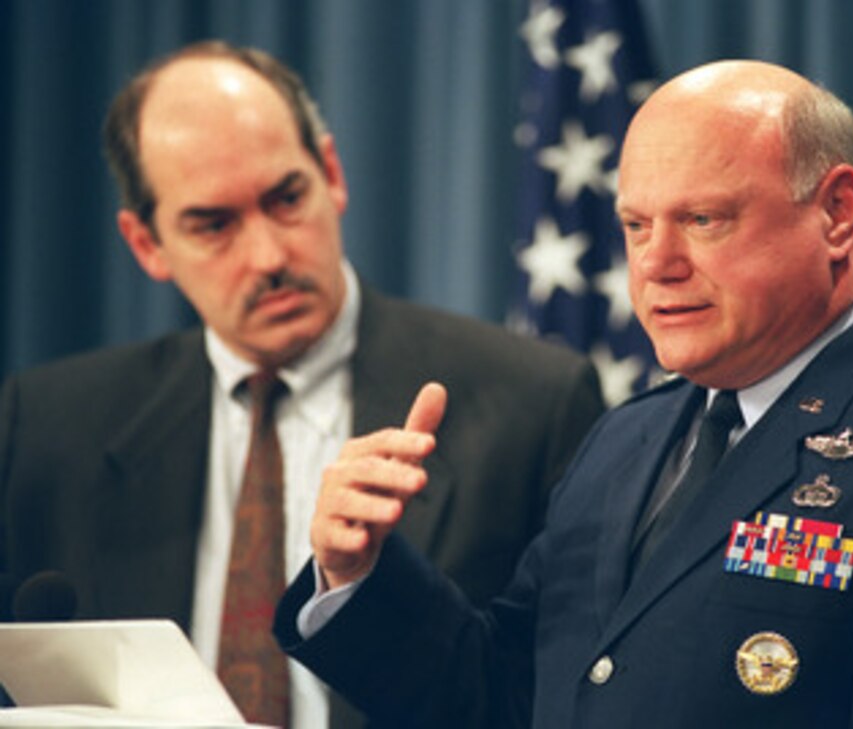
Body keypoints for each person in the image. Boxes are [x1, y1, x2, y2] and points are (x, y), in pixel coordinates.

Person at [274, 60, 853, 727]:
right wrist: (357, 574)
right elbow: (507, 698)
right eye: (636, 225)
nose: (656, 264)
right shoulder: (629, 436)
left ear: (837, 213)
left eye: (703, 219)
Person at [0, 41, 604, 728]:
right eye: (213, 224)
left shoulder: (533, 401)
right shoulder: (46, 427)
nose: (269, 255)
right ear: (147, 245)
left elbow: (554, 696)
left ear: (332, 174)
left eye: (286, 198)